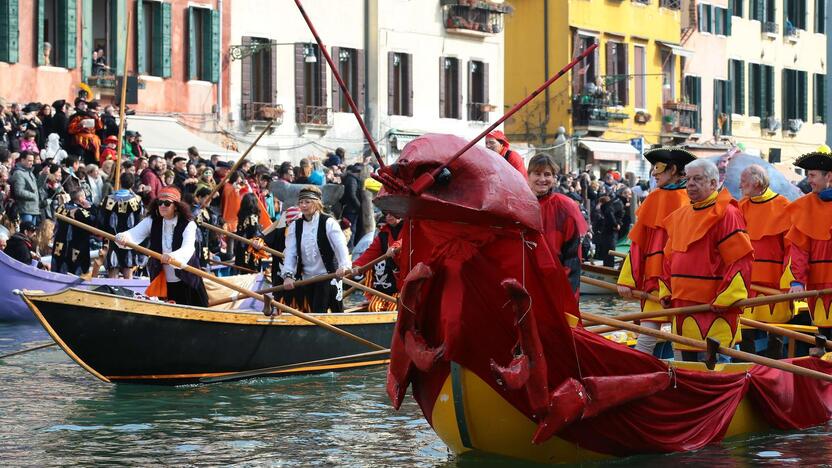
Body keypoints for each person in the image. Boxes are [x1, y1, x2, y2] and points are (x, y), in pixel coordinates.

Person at [659, 159, 753, 361]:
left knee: (716, 366)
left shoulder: (727, 214)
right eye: (688, 178)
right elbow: (669, 258)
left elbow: (740, 260)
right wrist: (666, 289)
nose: (690, 183)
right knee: (689, 367)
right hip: (684, 306)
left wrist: (728, 297)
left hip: (713, 308)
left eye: (697, 179)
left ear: (713, 183)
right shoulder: (679, 216)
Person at [617, 147, 693, 355]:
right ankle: (642, 378)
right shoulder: (653, 198)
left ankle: (682, 378)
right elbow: (637, 243)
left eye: (658, 167)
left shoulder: (691, 199)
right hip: (655, 279)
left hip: (683, 280)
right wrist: (627, 280)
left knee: (682, 339)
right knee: (647, 338)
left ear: (674, 169)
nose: (653, 173)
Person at [114, 186, 209, 306]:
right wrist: (123, 237)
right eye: (160, 203)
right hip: (162, 280)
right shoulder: (151, 221)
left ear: (176, 206)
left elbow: (188, 248)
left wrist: (172, 256)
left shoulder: (188, 224)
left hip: (187, 279)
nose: (162, 206)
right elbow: (134, 233)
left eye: (167, 203)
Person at [737, 164, 792, 357]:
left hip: (773, 282)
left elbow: (790, 248)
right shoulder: (741, 206)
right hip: (747, 282)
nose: (739, 186)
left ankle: (773, 372)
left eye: (743, 182)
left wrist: (791, 280)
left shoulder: (783, 205)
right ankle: (748, 369)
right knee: (745, 331)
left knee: (775, 333)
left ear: (756, 183)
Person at [781, 150, 832, 340]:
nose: (809, 180)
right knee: (824, 340)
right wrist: (797, 281)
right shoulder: (805, 206)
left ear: (829, 176)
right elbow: (799, 249)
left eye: (813, 175)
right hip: (819, 287)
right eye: (808, 175)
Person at [280, 186, 351, 313]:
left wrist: (344, 265)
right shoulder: (295, 226)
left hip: (329, 276)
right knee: (313, 310)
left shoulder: (328, 222)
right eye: (301, 202)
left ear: (317, 203)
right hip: (307, 278)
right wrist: (288, 275)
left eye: (307, 202)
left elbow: (340, 247)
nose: (303, 205)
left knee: (331, 312)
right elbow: (290, 253)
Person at [526, 153, 587, 297]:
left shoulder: (565, 207)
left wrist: (567, 294)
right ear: (528, 176)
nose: (542, 179)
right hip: (527, 281)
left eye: (547, 174)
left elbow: (572, 256)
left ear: (554, 178)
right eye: (537, 174)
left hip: (556, 284)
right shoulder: (518, 204)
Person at [351, 211, 404, 311]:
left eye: (391, 213)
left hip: (405, 279)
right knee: (373, 307)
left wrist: (395, 247)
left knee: (394, 308)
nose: (388, 216)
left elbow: (405, 240)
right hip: (391, 282)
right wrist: (357, 265)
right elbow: (371, 252)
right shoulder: (383, 234)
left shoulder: (409, 227)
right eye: (386, 214)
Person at [100, 173, 144, 279]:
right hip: (130, 238)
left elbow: (101, 220)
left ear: (119, 182)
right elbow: (140, 220)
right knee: (128, 268)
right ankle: (128, 293)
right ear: (132, 184)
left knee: (113, 267)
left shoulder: (108, 199)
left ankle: (111, 293)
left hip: (111, 237)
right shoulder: (137, 200)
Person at [52, 190, 94, 275]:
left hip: (59, 245)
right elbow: (94, 220)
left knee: (58, 268)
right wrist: (89, 207)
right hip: (76, 247)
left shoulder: (61, 207)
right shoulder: (80, 211)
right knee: (76, 270)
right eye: (84, 197)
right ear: (81, 199)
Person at [234, 193, 266, 273]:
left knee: (242, 270)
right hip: (250, 248)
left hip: (241, 247)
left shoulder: (242, 216)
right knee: (251, 271)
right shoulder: (252, 217)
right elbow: (255, 233)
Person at [10, 151, 42, 226]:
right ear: (22, 160)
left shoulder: (30, 172)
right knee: (25, 233)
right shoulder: (19, 173)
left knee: (30, 235)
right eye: (29, 160)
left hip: (33, 209)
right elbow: (19, 191)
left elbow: (37, 187)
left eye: (32, 161)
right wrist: (33, 196)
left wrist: (44, 175)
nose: (31, 163)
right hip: (25, 210)